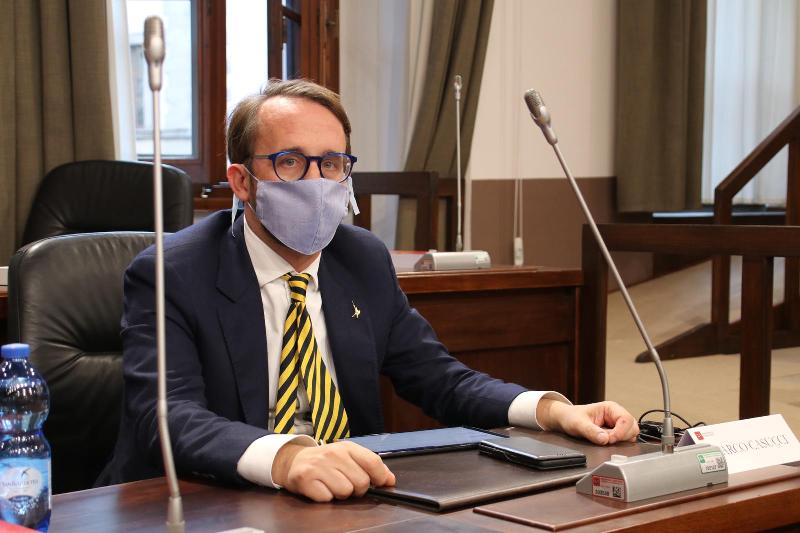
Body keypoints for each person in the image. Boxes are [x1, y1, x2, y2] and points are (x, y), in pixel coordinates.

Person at [100, 79, 638, 502]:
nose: (317, 182)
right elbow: (167, 417)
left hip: (343, 497)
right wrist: (286, 457)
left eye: (332, 163)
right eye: (290, 162)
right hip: (200, 498)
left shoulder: (360, 258)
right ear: (243, 182)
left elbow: (439, 378)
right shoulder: (173, 272)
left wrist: (551, 410)